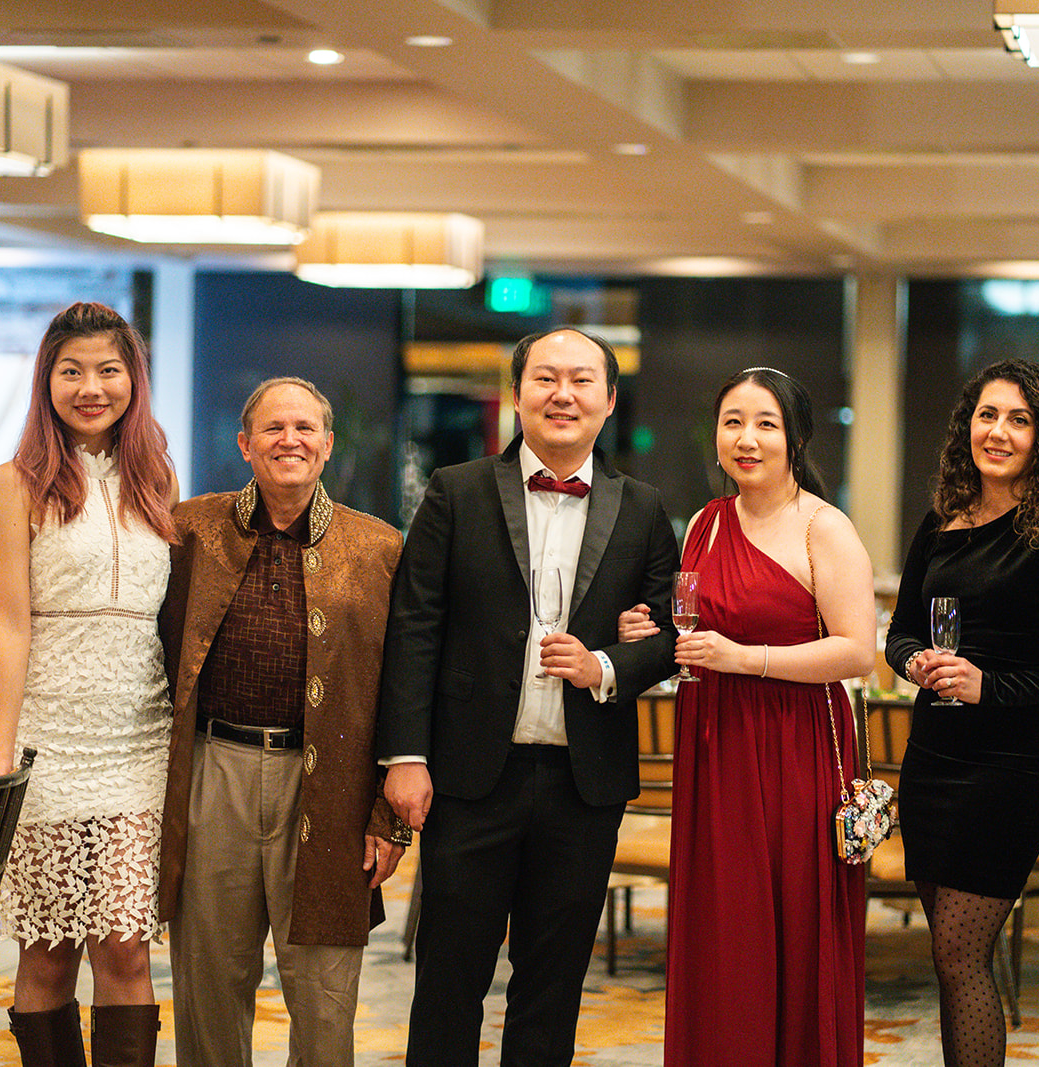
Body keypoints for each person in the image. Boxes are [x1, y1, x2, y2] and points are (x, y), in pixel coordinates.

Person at [376, 327, 680, 1067]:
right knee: (448, 981)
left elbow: (671, 634)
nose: (562, 394)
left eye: (581, 380)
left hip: (584, 783)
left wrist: (604, 664)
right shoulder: (456, 490)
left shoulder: (643, 508)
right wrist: (406, 755)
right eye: (546, 378)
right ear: (517, 395)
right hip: (471, 777)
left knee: (553, 986)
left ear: (610, 400)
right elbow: (414, 626)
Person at [629, 366, 878, 1067]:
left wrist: (744, 659)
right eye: (732, 422)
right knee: (724, 925)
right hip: (714, 742)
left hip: (794, 746)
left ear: (795, 438)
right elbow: (692, 627)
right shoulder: (705, 523)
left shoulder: (825, 527)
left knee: (794, 922)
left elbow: (858, 651)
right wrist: (648, 633)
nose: (747, 438)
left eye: (766, 424)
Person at [156, 377, 407, 1067]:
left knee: (325, 997)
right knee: (208, 982)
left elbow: (406, 687)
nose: (289, 440)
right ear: (245, 444)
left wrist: (388, 816)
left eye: (304, 428)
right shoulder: (191, 530)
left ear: (327, 444)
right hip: (216, 773)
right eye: (273, 428)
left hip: (332, 789)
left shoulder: (379, 548)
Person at [883, 358, 1039, 1067]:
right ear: (968, 426)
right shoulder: (942, 519)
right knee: (947, 955)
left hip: (1011, 766)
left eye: (1019, 419)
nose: (999, 431)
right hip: (933, 758)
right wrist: (914, 662)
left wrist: (992, 687)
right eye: (987, 415)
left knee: (961, 955)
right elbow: (900, 630)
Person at [0, 301, 178, 1066]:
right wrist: (1, 754)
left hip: (140, 745)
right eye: (72, 371)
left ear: (133, 379)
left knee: (125, 946)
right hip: (49, 747)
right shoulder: (14, 484)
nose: (91, 387)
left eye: (108, 370)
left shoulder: (156, 479)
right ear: (47, 381)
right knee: (50, 952)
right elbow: (8, 627)